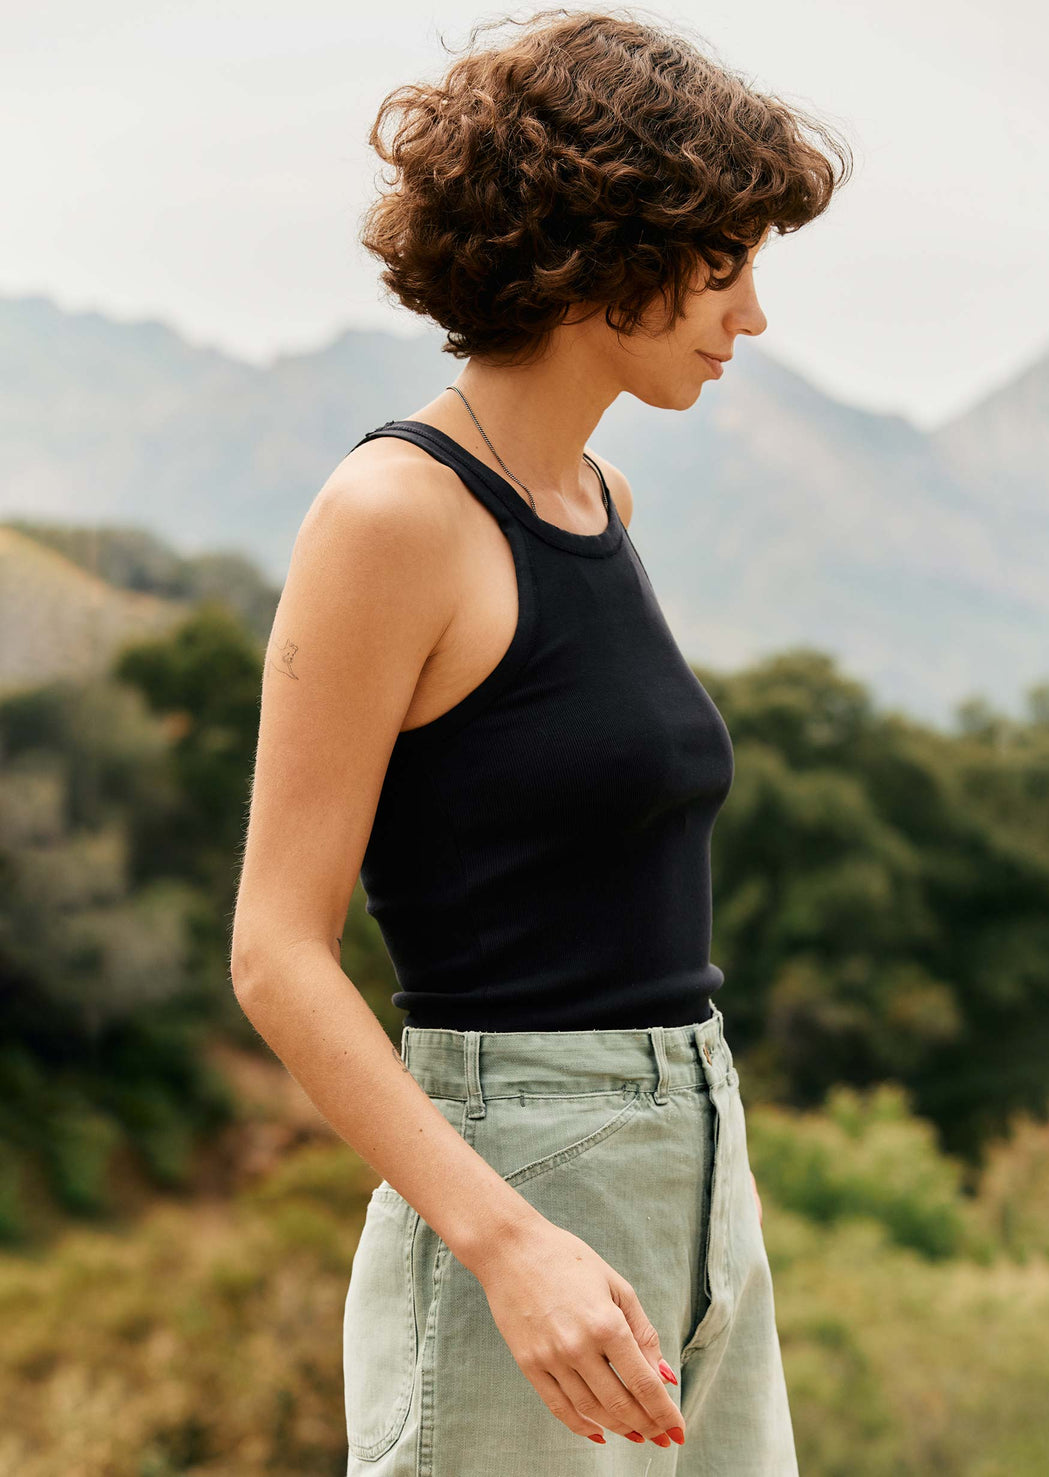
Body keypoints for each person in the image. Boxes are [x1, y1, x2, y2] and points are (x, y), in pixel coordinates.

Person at [230, 8, 852, 1473]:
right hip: (519, 1178)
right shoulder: (394, 515)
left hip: (700, 1165)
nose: (752, 313)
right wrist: (512, 1244)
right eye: (725, 263)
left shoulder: (601, 501)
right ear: (609, 249)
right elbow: (275, 948)